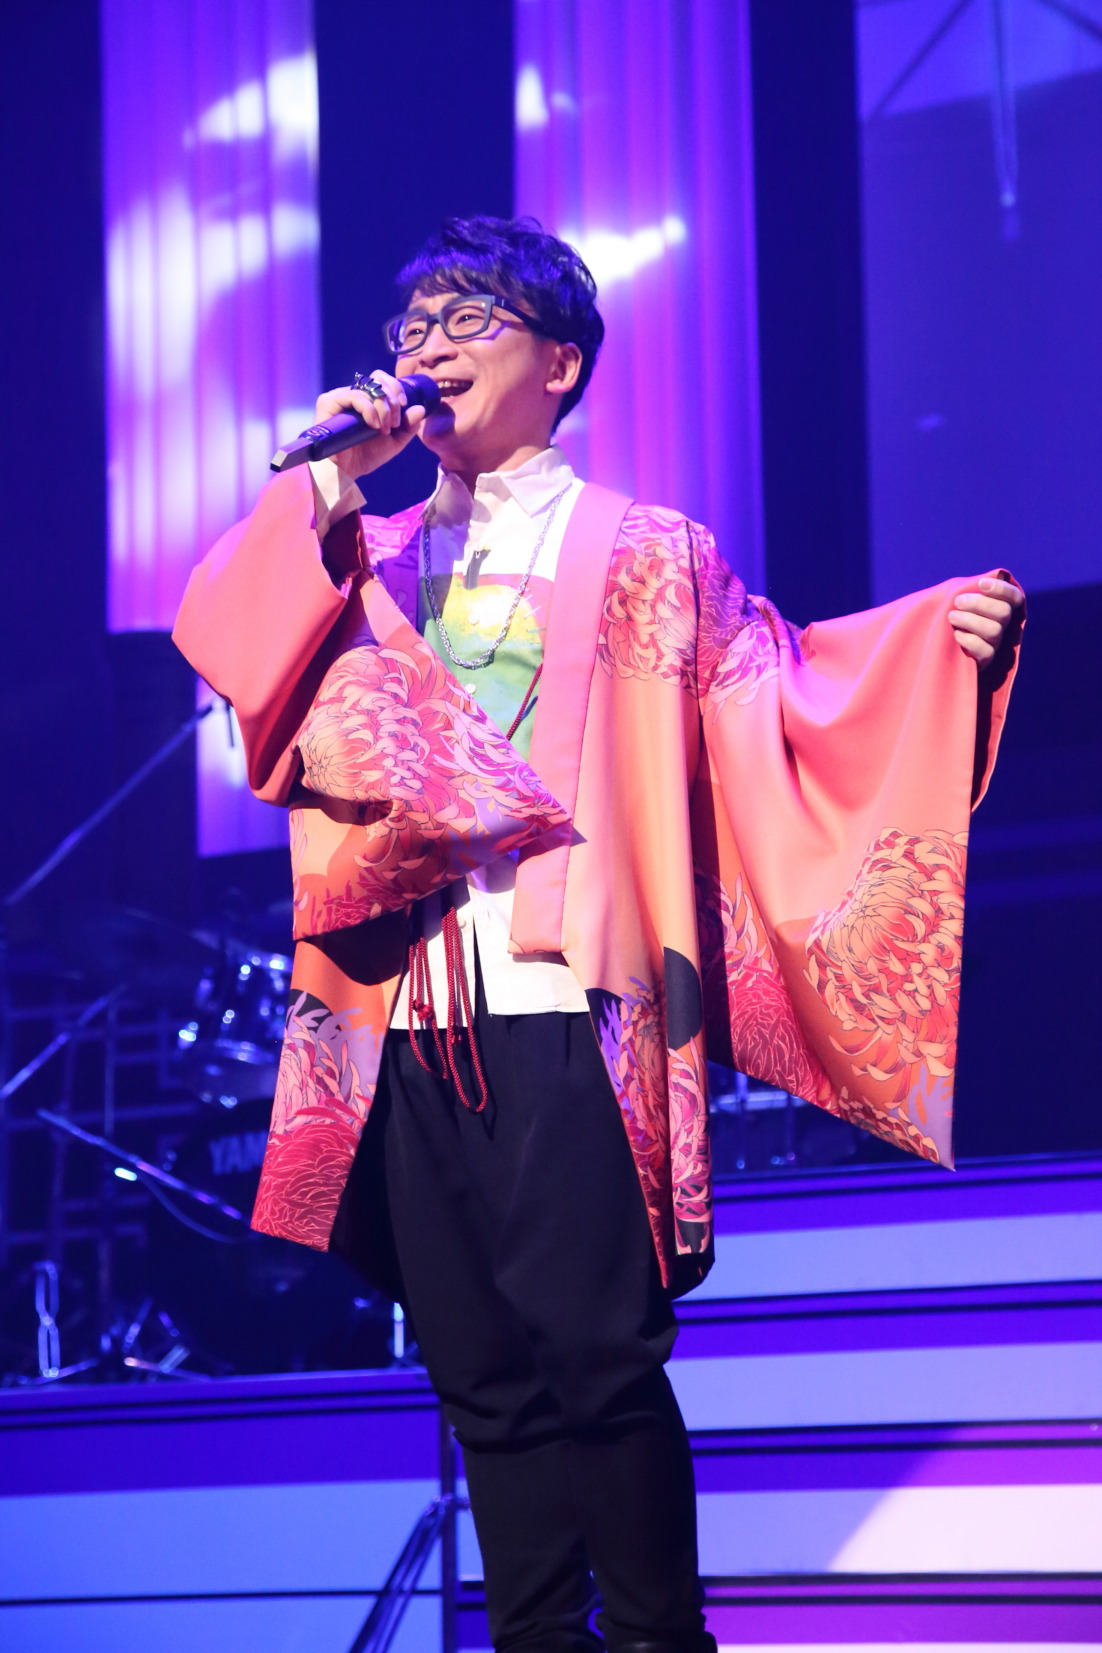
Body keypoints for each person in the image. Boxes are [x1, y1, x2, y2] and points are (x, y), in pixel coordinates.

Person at [173, 216, 1023, 1653]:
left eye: (468, 322)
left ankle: (657, 1638)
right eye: (411, 329)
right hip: (399, 1015)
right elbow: (225, 625)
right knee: (480, 1379)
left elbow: (784, 699)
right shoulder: (362, 555)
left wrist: (936, 646)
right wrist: (327, 473)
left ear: (559, 364)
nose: (425, 351)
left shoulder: (646, 552)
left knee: (595, 1355)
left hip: (569, 999)